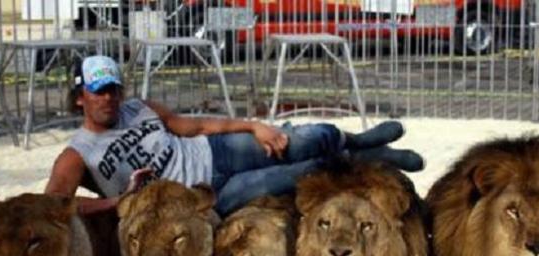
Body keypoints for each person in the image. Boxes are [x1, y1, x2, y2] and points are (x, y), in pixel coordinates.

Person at [45, 55, 424, 216]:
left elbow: (195, 126)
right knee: (304, 173)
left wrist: (252, 125)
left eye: (113, 89)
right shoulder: (77, 154)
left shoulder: (138, 107)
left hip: (213, 150)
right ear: (80, 97)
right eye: (99, 91)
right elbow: (51, 205)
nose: (108, 98)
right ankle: (373, 159)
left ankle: (358, 140)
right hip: (205, 197)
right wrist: (117, 203)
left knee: (305, 137)